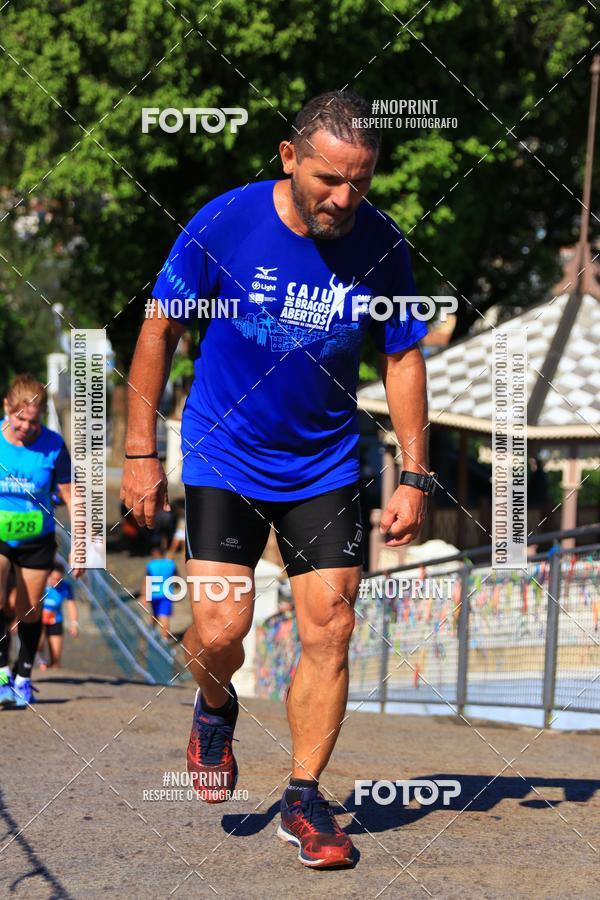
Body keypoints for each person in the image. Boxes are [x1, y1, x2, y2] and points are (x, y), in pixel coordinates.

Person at [121, 91, 433, 868]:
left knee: (331, 626)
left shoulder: (382, 242)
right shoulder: (224, 222)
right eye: (329, 179)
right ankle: (216, 701)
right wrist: (139, 453)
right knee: (222, 630)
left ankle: (304, 798)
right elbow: (159, 326)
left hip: (326, 463)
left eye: (360, 182)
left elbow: (401, 356)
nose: (344, 199)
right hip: (226, 452)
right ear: (290, 157)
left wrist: (417, 475)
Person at [0, 374, 83, 709]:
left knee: (27, 609)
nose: (25, 427)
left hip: (37, 539)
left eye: (33, 421)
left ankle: (23, 676)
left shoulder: (53, 446)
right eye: (19, 418)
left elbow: (71, 496)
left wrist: (82, 545)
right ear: (7, 407)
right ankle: (2, 671)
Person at [38, 560, 78, 669]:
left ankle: (54, 669)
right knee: (38, 643)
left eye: (59, 580)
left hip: (56, 621)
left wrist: (74, 623)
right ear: (48, 575)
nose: (56, 582)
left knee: (56, 659)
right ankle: (42, 660)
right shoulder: (40, 584)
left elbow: (71, 605)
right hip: (39, 620)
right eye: (54, 579)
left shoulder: (65, 586)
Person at [141, 544, 177, 639]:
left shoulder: (151, 565)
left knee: (156, 613)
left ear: (155, 553)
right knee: (164, 616)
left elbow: (146, 580)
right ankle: (164, 639)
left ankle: (150, 632)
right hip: (166, 594)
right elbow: (176, 579)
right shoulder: (170, 564)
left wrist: (144, 595)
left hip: (153, 594)